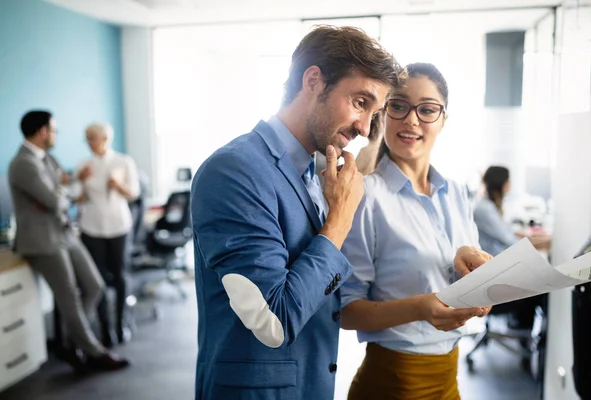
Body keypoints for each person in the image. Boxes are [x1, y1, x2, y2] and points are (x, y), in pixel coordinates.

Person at [190, 25, 401, 400]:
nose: (366, 128)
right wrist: (339, 219)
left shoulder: (312, 171)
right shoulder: (235, 170)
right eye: (360, 102)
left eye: (375, 112)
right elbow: (274, 319)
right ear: (314, 81)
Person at [340, 63, 491, 400]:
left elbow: (466, 283)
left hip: (449, 381)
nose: (411, 120)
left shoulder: (455, 192)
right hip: (392, 384)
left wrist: (480, 281)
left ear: (443, 119)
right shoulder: (366, 196)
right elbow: (346, 311)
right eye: (398, 106)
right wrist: (421, 307)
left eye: (426, 110)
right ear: (384, 113)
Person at [8, 110, 130, 372]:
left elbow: (62, 193)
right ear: (42, 131)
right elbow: (57, 200)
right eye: (53, 130)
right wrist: (61, 196)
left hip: (64, 232)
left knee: (95, 285)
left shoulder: (48, 159)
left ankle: (75, 338)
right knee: (69, 298)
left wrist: (60, 194)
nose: (55, 135)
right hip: (43, 240)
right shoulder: (23, 164)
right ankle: (94, 351)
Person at [77, 122, 140, 346]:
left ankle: (121, 323)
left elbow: (134, 194)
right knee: (99, 279)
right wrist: (80, 181)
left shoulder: (123, 161)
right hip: (92, 227)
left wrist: (119, 185)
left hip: (118, 226)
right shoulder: (84, 165)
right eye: (86, 137)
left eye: (91, 137)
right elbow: (76, 198)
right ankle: (105, 329)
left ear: (105, 138)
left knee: (121, 276)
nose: (88, 142)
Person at [473, 166, 552, 256]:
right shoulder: (485, 209)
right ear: (504, 184)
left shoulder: (490, 205)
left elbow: (509, 232)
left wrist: (541, 238)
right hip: (494, 258)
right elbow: (511, 242)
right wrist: (546, 242)